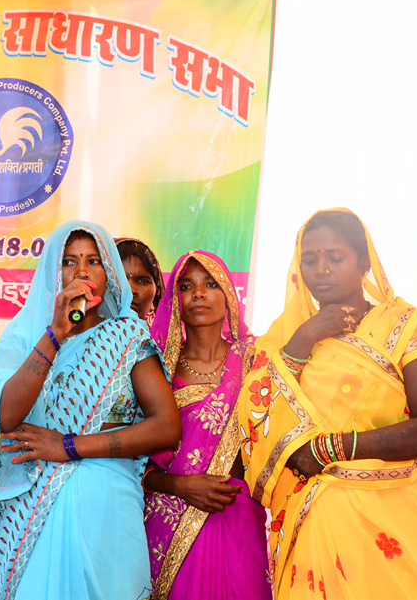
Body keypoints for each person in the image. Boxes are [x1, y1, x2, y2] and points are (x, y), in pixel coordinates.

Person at [238, 209, 417, 599]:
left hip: (386, 517)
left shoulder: (405, 326)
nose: (321, 270)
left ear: (364, 262)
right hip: (310, 517)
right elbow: (255, 421)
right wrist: (304, 339)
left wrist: (331, 448)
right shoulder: (282, 340)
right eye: (309, 259)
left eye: (335, 258)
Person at [0, 220, 181, 600]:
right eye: (69, 261)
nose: (81, 272)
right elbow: (4, 416)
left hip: (105, 520)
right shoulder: (23, 335)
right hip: (29, 517)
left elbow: (166, 427)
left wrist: (68, 446)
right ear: (53, 271)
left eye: (94, 261)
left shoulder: (127, 334)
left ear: (109, 273)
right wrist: (54, 333)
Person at [144, 251, 271, 599]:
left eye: (210, 284)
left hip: (237, 514)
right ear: (175, 299)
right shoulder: (155, 367)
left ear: (229, 293)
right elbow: (133, 462)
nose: (198, 293)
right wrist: (181, 486)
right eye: (187, 286)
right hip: (168, 516)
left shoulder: (258, 358)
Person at [115, 237, 165, 323]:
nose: (131, 290)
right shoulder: (89, 335)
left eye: (142, 281)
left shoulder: (165, 336)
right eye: (120, 280)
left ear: (157, 291)